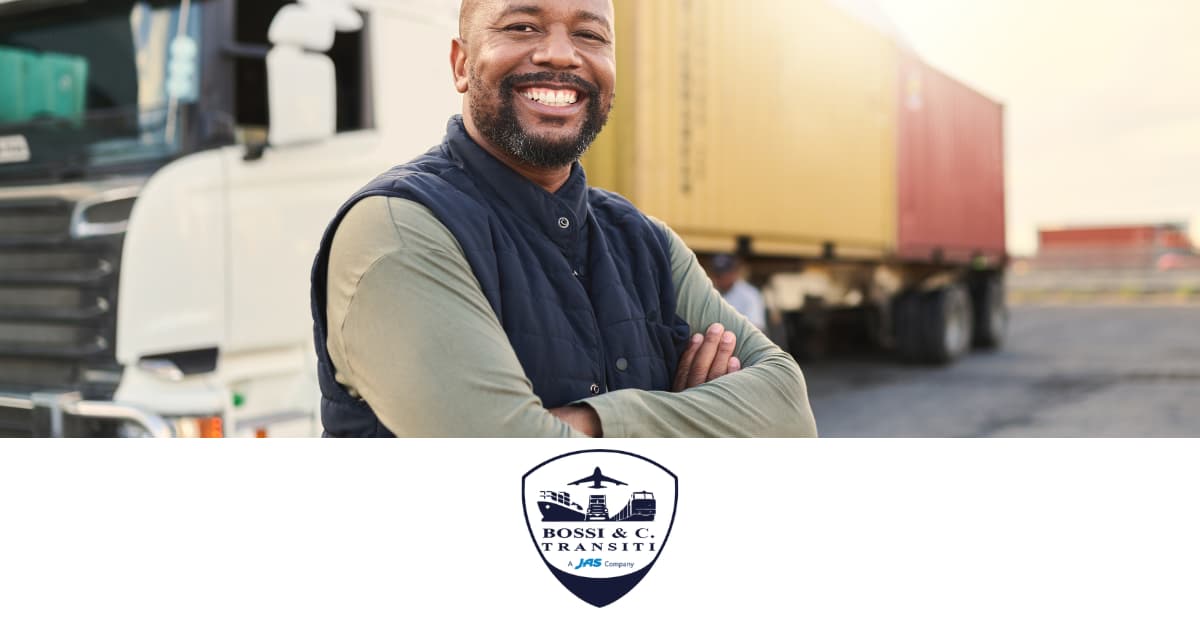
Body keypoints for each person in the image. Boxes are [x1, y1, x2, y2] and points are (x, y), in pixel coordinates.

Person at [309, 0, 816, 437]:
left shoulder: (646, 242)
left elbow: (789, 413)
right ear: (461, 64)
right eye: (522, 26)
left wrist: (588, 424)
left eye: (589, 34)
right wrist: (700, 422)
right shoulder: (400, 229)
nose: (560, 53)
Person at [708, 254, 767, 331]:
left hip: (742, 340)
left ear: (734, 273)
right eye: (718, 275)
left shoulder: (750, 294)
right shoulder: (710, 292)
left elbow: (756, 327)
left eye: (725, 274)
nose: (721, 278)